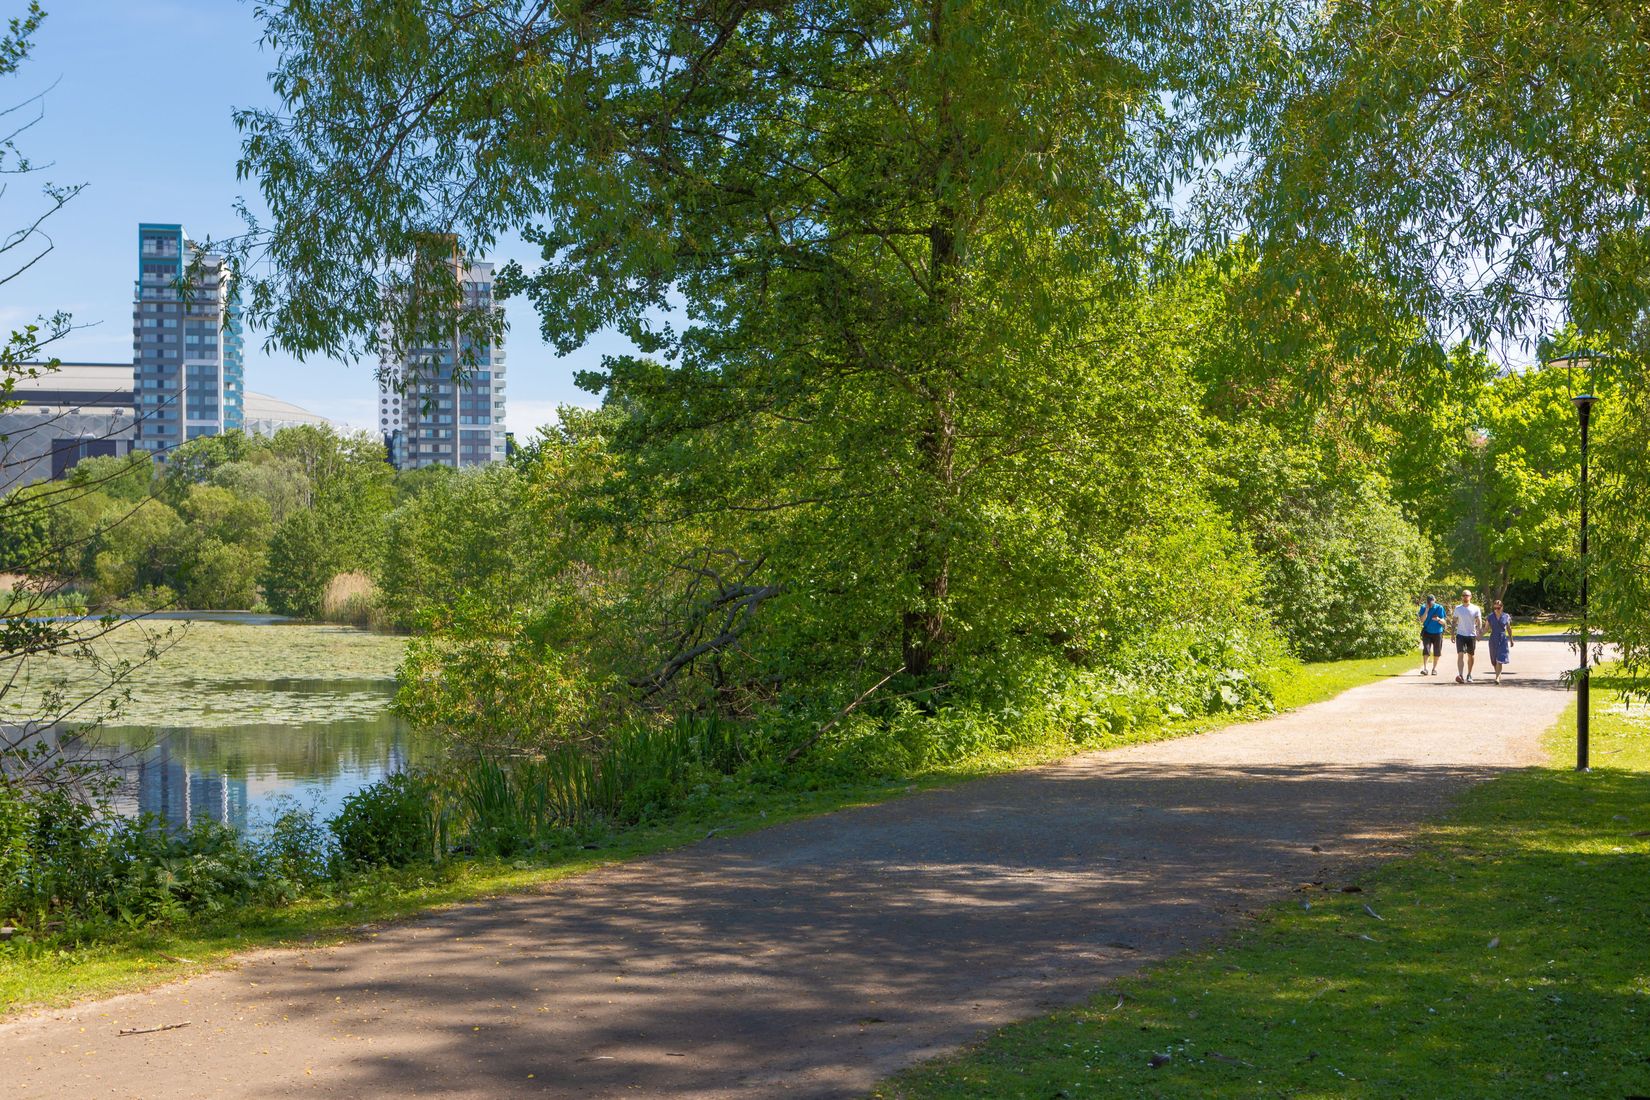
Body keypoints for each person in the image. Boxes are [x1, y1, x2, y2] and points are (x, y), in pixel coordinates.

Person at [1452, 589, 1483, 683]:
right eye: (1463, 595)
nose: (1465, 597)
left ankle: (1469, 674)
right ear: (1461, 597)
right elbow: (1454, 621)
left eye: (1467, 595)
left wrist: (1479, 633)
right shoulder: (1458, 608)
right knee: (1460, 654)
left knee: (1471, 655)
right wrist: (1452, 634)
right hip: (1460, 634)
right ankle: (1460, 675)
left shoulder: (1475, 608)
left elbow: (1479, 621)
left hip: (1471, 635)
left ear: (1470, 597)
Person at [1416, 594, 1446, 675]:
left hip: (1438, 632)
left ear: (1435, 600)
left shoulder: (1439, 608)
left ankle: (1434, 669)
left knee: (1437, 651)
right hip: (1427, 632)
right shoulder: (1423, 607)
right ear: (1427, 602)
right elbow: (1422, 620)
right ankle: (1425, 669)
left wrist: (1438, 619)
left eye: (1432, 602)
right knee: (1426, 649)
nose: (1431, 604)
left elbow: (1444, 622)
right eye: (1429, 602)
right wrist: (1426, 610)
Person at [1485, 597, 1513, 684]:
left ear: (1502, 607)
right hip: (1493, 638)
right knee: (1494, 660)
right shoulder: (1490, 616)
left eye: (1498, 608)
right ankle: (1498, 674)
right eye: (1495, 608)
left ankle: (1497, 678)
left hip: (1502, 638)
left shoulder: (1506, 616)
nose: (1496, 609)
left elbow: (1509, 628)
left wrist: (1511, 639)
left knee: (1499, 659)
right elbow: (1486, 628)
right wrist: (1479, 636)